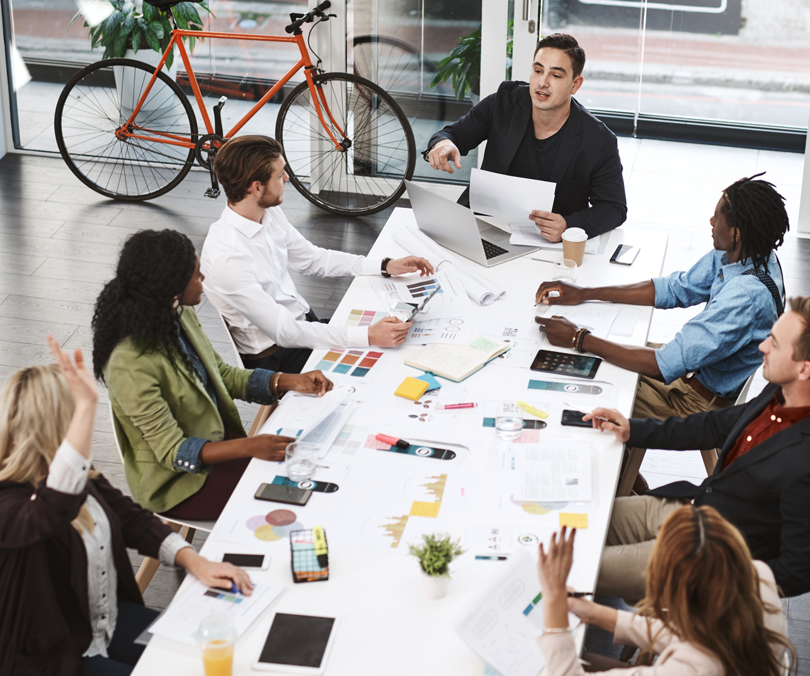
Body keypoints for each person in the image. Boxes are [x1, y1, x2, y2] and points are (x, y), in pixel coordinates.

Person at [0, 337, 254, 676]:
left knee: (200, 657)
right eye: (78, 418)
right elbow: (52, 511)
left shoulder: (81, 478)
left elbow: (132, 520)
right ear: (60, 423)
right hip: (44, 658)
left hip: (100, 621)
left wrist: (194, 560)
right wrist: (86, 407)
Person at [584, 296, 810, 602]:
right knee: (573, 517)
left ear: (805, 370)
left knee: (575, 566)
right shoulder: (781, 391)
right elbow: (712, 426)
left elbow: (797, 574)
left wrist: (713, 574)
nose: (762, 347)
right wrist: (634, 428)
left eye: (775, 343)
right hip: (688, 510)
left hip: (700, 559)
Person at [536, 173, 789, 489]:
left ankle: (617, 488)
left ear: (736, 232)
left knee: (578, 397)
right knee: (591, 359)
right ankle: (626, 483)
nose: (711, 221)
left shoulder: (746, 297)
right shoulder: (746, 255)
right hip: (694, 373)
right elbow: (675, 289)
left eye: (718, 217)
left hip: (693, 399)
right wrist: (586, 292)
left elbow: (662, 364)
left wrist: (579, 337)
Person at [93, 229, 333, 520]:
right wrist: (249, 446)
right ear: (171, 288)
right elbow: (173, 451)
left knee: (315, 466)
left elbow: (221, 374)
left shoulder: (179, 313)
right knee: (299, 495)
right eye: (196, 275)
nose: (203, 280)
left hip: (220, 446)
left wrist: (287, 380)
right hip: (180, 484)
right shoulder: (129, 363)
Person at [202, 135, 435, 374]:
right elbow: (284, 331)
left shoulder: (268, 213)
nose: (287, 178)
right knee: (389, 368)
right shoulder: (228, 257)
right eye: (280, 174)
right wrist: (369, 335)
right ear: (257, 187)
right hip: (279, 356)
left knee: (405, 345)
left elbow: (312, 259)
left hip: (306, 325)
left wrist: (384, 265)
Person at [425, 33, 626, 241]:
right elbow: (452, 134)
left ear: (575, 84)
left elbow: (614, 207)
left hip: (544, 242)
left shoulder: (598, 139)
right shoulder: (503, 103)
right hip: (481, 226)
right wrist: (443, 143)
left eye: (556, 76)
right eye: (538, 70)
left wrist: (569, 224)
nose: (543, 82)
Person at [536, 515, 795, 676]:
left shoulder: (691, 669)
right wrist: (594, 613)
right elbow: (689, 633)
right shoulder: (757, 576)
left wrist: (554, 603)